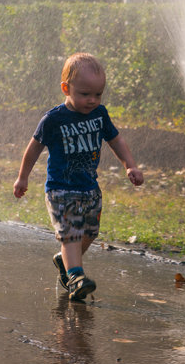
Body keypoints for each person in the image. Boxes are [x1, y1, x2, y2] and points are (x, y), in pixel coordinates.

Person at [13, 53, 143, 301]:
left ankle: (66, 261)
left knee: (90, 232)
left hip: (89, 188)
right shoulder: (53, 119)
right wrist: (23, 178)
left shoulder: (99, 114)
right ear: (66, 88)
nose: (92, 100)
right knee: (71, 233)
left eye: (98, 94)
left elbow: (115, 140)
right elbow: (33, 149)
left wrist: (130, 166)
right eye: (85, 94)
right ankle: (75, 277)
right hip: (61, 189)